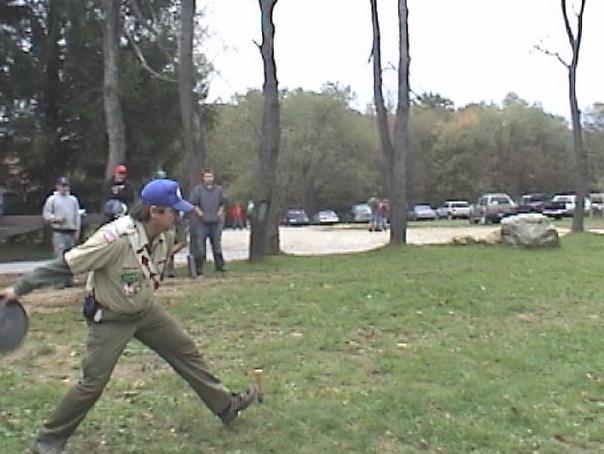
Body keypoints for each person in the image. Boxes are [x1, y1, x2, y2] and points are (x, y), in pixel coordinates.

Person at [0, 179, 259, 454]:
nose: (178, 215)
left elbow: (164, 256)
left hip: (145, 311)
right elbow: (64, 265)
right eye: (173, 210)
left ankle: (225, 407)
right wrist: (19, 288)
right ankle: (48, 440)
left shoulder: (165, 234)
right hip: (111, 317)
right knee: (92, 384)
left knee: (185, 351)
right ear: (154, 211)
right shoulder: (114, 239)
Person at [42, 176, 81, 287]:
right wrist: (55, 218)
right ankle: (58, 281)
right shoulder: (52, 199)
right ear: (58, 186)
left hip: (71, 230)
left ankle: (69, 280)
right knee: (59, 257)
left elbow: (76, 216)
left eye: (66, 186)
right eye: (62, 186)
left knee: (70, 258)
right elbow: (46, 215)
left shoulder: (73, 200)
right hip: (58, 231)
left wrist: (77, 230)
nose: (64, 188)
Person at [189, 169, 227, 274]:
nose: (208, 178)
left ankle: (220, 266)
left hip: (216, 222)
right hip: (202, 222)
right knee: (200, 246)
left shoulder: (219, 189)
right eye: (206, 176)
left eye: (210, 176)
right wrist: (200, 213)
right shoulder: (198, 190)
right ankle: (199, 268)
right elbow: (193, 204)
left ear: (213, 178)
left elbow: (223, 203)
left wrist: (219, 213)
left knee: (217, 245)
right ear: (203, 178)